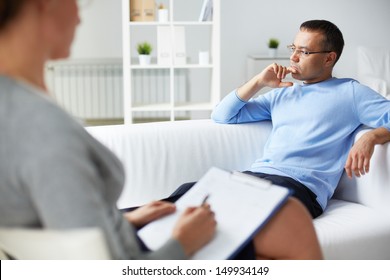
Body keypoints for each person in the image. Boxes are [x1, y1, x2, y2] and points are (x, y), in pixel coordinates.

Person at [0, 0, 216, 259]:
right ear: (46, 4)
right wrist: (184, 242)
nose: (79, 17)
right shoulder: (41, 129)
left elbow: (46, 225)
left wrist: (121, 222)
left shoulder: (15, 104)